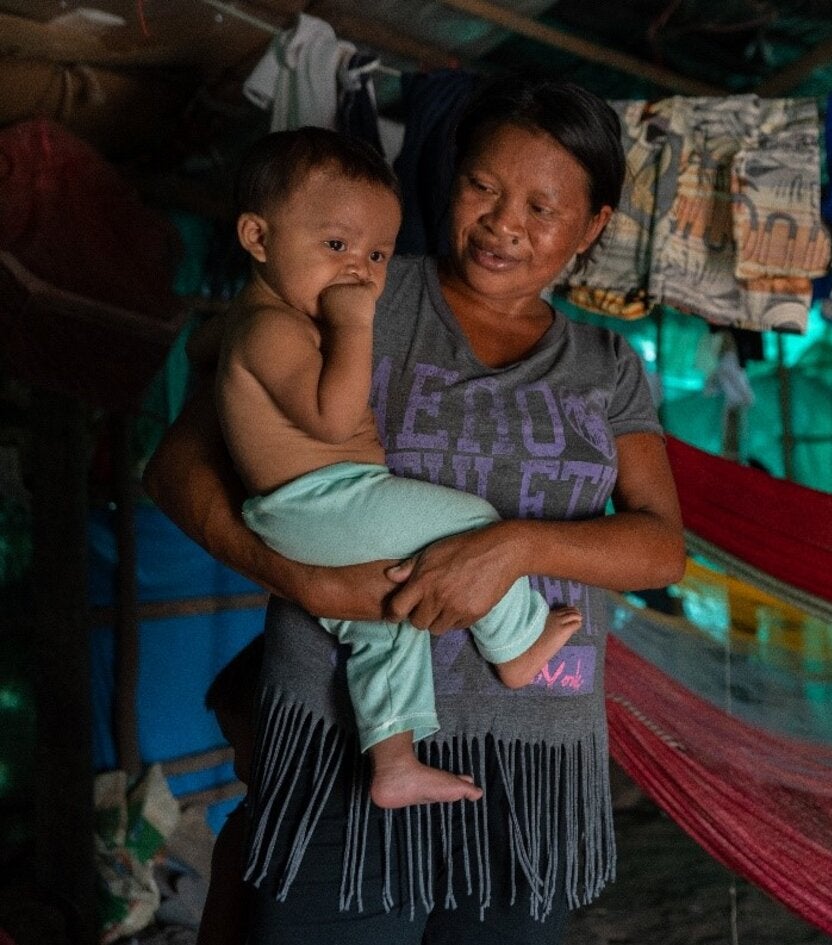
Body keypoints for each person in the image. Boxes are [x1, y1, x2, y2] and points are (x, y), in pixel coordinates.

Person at [145, 76, 684, 944]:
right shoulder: (351, 287)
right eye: (482, 187)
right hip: (338, 742)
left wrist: (510, 547)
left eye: (542, 207)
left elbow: (661, 548)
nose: (504, 223)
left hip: (531, 763)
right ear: (450, 179)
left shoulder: (607, 365)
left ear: (592, 226)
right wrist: (302, 579)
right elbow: (175, 470)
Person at [213, 127, 585, 812]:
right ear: (257, 237)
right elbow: (331, 420)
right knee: (475, 523)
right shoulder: (270, 328)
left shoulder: (269, 319)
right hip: (319, 500)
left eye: (377, 254)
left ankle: (394, 760)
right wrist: (355, 326)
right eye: (336, 246)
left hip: (317, 510)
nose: (359, 270)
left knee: (385, 627)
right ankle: (516, 644)